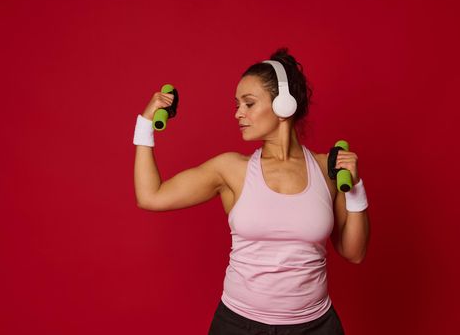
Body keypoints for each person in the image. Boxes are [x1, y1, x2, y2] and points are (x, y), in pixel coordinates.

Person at [133, 47, 370, 334]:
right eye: (237, 105)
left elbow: (353, 252)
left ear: (284, 105)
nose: (238, 114)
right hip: (239, 325)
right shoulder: (232, 169)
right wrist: (145, 125)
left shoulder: (326, 170)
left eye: (248, 104)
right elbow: (151, 196)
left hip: (315, 326)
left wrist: (355, 187)